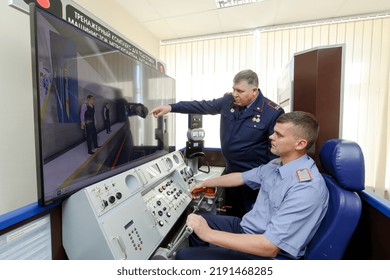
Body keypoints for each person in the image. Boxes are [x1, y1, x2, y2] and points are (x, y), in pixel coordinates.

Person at [175, 111, 329, 260]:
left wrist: (208, 234)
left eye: (279, 135)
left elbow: (270, 247)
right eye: (274, 132)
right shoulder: (277, 164)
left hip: (265, 252)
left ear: (300, 143)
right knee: (195, 221)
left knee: (184, 255)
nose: (271, 137)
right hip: (248, 228)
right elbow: (241, 177)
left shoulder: (306, 188)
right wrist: (204, 183)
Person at [151, 69, 284, 217]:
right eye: (233, 89)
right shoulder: (228, 101)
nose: (235, 94)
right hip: (231, 174)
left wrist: (269, 183)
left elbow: (276, 151)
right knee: (233, 216)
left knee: (252, 222)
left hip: (255, 180)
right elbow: (201, 106)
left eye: (240, 91)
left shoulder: (272, 112)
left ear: (254, 90)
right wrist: (171, 107)